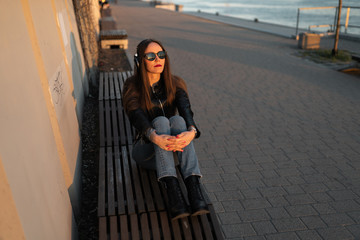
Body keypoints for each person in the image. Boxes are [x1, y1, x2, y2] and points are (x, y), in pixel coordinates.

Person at [122, 39, 209, 220]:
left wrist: (191, 132)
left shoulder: (175, 83)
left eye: (161, 55)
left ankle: (194, 191)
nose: (157, 59)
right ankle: (173, 192)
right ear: (140, 61)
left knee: (177, 119)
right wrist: (154, 137)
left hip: (174, 152)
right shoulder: (132, 86)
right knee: (161, 121)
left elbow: (186, 111)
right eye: (151, 56)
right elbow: (136, 116)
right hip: (146, 151)